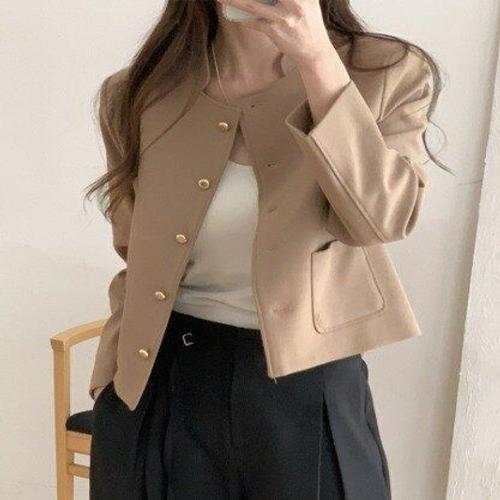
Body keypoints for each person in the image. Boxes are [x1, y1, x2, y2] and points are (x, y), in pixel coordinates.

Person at [85, 0, 446, 498]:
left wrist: (318, 61)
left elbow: (382, 219)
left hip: (306, 393)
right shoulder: (138, 91)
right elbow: (134, 253)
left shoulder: (386, 73)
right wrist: (110, 378)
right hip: (160, 384)